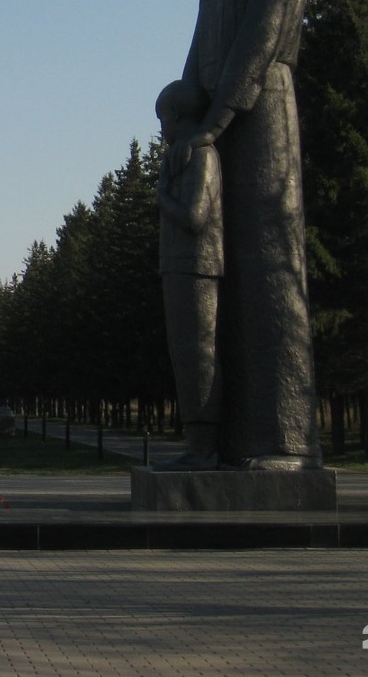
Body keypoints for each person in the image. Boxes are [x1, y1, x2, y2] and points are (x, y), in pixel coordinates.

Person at [168, 0, 321, 469]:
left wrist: (219, 117)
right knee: (218, 287)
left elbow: (264, 33)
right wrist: (184, 109)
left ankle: (282, 442)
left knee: (268, 272)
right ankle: (224, 442)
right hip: (218, 123)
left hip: (262, 121)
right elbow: (202, 43)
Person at [155, 80, 223, 469]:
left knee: (198, 354)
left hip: (198, 266)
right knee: (184, 355)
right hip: (178, 266)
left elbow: (195, 216)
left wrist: (162, 194)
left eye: (163, 118)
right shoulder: (182, 156)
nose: (161, 129)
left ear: (175, 115)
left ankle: (204, 448)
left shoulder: (203, 157)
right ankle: (196, 444)